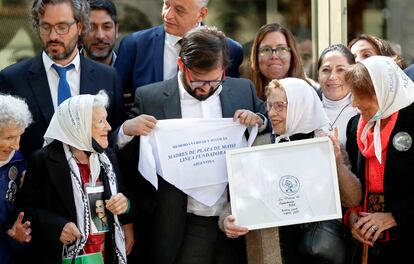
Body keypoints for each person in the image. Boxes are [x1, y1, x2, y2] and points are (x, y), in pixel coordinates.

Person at [114, 26, 265, 264]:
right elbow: (122, 161)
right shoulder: (150, 97)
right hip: (179, 223)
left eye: (215, 81)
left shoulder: (242, 89)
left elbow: (270, 122)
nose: (206, 88)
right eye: (198, 81)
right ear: (181, 65)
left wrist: (259, 120)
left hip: (235, 219)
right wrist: (126, 131)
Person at [222, 78, 362, 263]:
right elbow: (238, 200)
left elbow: (352, 199)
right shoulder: (259, 144)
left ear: (301, 106)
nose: (272, 113)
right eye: (269, 106)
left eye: (280, 106)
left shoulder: (325, 144)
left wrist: (336, 163)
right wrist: (227, 222)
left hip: (318, 252)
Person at [16, 91, 135, 263]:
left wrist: (126, 204)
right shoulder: (43, 159)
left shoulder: (107, 157)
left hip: (104, 255)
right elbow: (25, 211)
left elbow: (126, 198)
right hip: (62, 256)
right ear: (79, 125)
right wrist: (57, 227)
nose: (108, 127)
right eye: (101, 121)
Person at [0, 0, 124, 160]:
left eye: (62, 27)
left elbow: (112, 141)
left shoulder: (108, 77)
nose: (53, 36)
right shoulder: (12, 79)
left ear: (79, 27)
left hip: (93, 182)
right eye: (46, 27)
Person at [343, 56, 414, 263]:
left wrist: (394, 216)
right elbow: (354, 183)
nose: (355, 103)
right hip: (368, 250)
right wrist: (352, 218)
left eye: (361, 96)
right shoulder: (356, 124)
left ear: (383, 91)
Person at [114, 0, 243, 96]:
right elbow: (116, 103)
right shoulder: (134, 46)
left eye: (179, 10)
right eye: (166, 4)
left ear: (201, 14)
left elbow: (229, 101)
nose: (167, 15)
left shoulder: (231, 50)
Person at [0, 94, 33, 264]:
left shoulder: (21, 165)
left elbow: (20, 223)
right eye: (9, 138)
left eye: (19, 136)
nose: (16, 145)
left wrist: (17, 237)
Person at [249, 23, 306, 100]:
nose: (274, 56)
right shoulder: (246, 95)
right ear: (256, 55)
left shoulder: (308, 94)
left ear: (292, 54)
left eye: (282, 49)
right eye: (266, 49)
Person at [317, 44, 358, 146]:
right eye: (326, 70)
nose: (332, 77)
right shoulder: (307, 109)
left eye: (341, 70)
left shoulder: (362, 111)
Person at [81, 0, 118, 66]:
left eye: (107, 27)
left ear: (116, 29)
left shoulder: (132, 71)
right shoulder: (64, 73)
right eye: (91, 28)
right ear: (80, 30)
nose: (100, 36)